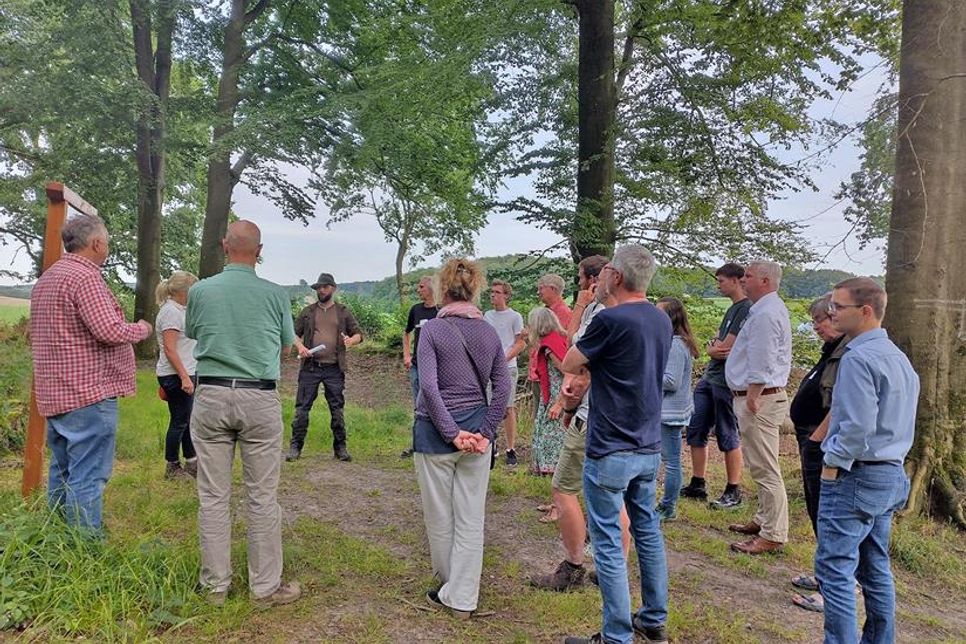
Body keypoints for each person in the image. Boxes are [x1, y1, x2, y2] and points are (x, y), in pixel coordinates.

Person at [185, 220, 301, 608]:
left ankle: (215, 587)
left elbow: (196, 333)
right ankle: (265, 588)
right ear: (259, 250)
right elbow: (287, 347)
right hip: (258, 396)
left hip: (212, 394)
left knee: (213, 496)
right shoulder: (275, 295)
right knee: (262, 497)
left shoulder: (200, 291)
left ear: (224, 245)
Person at [561, 245, 672, 644]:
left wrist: (590, 307)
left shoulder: (611, 319)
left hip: (611, 445)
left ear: (618, 277)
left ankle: (615, 635)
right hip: (648, 443)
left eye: (607, 269)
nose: (601, 275)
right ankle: (654, 618)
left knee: (607, 541)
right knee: (648, 530)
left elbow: (569, 362)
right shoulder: (660, 320)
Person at [30, 214, 152, 534]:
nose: (107, 248)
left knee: (63, 469)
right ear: (97, 243)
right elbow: (108, 330)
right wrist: (140, 329)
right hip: (86, 392)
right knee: (88, 475)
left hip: (54, 392)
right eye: (107, 242)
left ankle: (55, 537)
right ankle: (84, 548)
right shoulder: (85, 278)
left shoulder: (48, 277)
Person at [815, 277, 918, 643]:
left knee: (834, 568)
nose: (832, 313)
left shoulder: (859, 357)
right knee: (875, 567)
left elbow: (857, 426)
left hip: (856, 475)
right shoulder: (898, 358)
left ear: (866, 311)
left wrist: (833, 462)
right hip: (890, 473)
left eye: (838, 307)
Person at [413, 258, 511, 619]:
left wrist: (452, 433)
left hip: (435, 433)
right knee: (471, 518)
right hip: (477, 431)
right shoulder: (488, 332)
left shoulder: (432, 331)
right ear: (475, 289)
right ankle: (463, 598)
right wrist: (485, 432)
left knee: (440, 518)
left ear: (442, 289)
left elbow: (428, 386)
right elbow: (502, 387)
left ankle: (448, 587)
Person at [530, 255, 632, 592]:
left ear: (598, 279)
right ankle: (610, 570)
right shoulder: (625, 313)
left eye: (581, 276)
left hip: (593, 417)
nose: (579, 283)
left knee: (567, 489)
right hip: (608, 417)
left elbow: (576, 353)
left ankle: (577, 567)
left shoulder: (603, 313)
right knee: (609, 496)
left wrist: (567, 399)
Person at [724, 261, 792, 555]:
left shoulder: (766, 313)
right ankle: (765, 519)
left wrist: (752, 394)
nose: (744, 280)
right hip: (757, 396)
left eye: (748, 276)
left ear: (764, 281)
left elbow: (762, 359)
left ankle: (774, 533)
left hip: (759, 398)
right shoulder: (762, 310)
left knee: (765, 467)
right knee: (758, 463)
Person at [788, 294, 850, 614]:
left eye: (820, 321)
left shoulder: (848, 354)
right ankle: (823, 574)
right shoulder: (832, 351)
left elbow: (840, 402)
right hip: (812, 439)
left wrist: (816, 439)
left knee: (826, 512)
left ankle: (832, 587)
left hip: (822, 443)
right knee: (816, 509)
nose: (816, 328)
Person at [680, 263, 751, 509]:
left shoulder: (745, 309)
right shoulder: (732, 309)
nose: (717, 285)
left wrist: (713, 347)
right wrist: (714, 347)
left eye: (721, 280)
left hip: (726, 382)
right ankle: (698, 482)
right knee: (696, 429)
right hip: (709, 378)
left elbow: (723, 348)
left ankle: (734, 489)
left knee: (727, 433)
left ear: (736, 280)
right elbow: (716, 346)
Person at [288, 272, 363, 462]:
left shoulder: (343, 311)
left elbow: (358, 334)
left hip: (334, 369)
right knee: (302, 409)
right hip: (310, 367)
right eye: (318, 288)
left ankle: (340, 448)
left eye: (324, 287)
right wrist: (301, 347)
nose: (321, 290)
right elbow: (292, 334)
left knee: (337, 409)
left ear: (333, 288)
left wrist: (350, 341)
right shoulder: (308, 312)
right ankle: (295, 447)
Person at [654, 297, 698, 522]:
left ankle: (668, 507)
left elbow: (671, 381)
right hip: (665, 411)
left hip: (668, 413)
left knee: (670, 462)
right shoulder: (671, 342)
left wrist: (645, 374)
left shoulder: (676, 345)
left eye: (659, 312)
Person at [155, 270, 200, 480]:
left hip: (185, 372)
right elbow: (170, 349)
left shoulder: (180, 309)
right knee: (179, 421)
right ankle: (172, 466)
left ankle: (192, 461)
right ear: (185, 291)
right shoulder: (171, 312)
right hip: (176, 375)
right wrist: (184, 377)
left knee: (186, 419)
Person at [483, 279, 525, 465]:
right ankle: (491, 444)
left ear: (506, 295)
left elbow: (520, 343)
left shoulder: (515, 317)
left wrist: (502, 359)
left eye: (497, 292)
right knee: (488, 406)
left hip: (508, 366)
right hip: (488, 367)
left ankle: (510, 448)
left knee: (508, 407)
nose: (493, 295)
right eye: (492, 292)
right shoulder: (487, 315)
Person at [528, 307, 568, 480]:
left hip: (558, 393)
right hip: (551, 393)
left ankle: (552, 471)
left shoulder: (551, 345)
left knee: (551, 433)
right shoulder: (553, 340)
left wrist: (560, 402)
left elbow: (568, 372)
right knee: (544, 429)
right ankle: (543, 471)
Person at [400, 276, 438, 458]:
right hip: (417, 366)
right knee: (418, 405)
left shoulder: (442, 311)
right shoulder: (415, 310)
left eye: (421, 287)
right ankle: (417, 444)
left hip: (437, 367)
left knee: (437, 403)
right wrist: (406, 354)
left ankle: (438, 442)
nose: (418, 290)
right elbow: (406, 333)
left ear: (431, 289)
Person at [527, 274, 572, 407]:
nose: (538, 292)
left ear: (552, 289)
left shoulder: (565, 314)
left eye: (541, 288)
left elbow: (560, 349)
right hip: (539, 373)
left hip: (553, 379)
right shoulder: (545, 311)